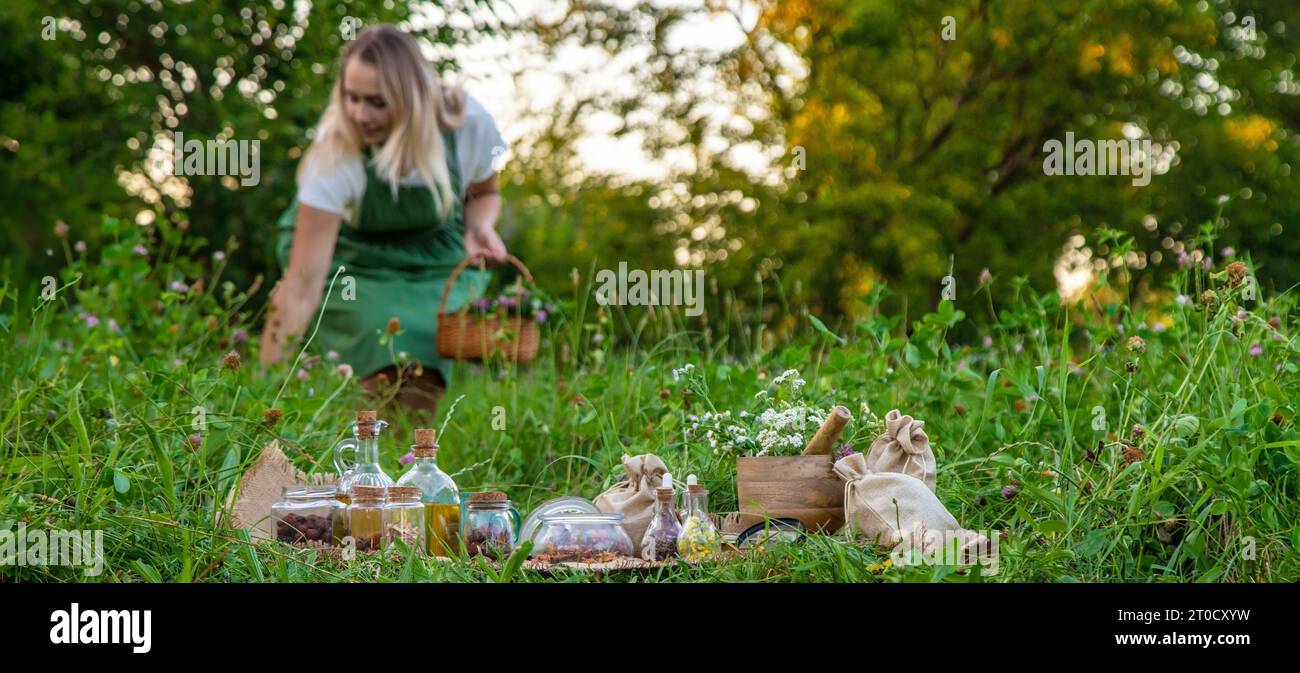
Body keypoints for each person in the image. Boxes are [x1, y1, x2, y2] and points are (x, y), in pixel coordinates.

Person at [260, 24, 508, 415]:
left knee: (426, 346)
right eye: (351, 97)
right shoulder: (335, 153)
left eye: (377, 102)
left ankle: (408, 456)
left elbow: (485, 193)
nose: (360, 114)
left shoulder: (466, 123)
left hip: (433, 255)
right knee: (382, 336)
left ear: (413, 99)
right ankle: (362, 447)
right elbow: (302, 284)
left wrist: (480, 226)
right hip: (351, 254)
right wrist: (266, 388)